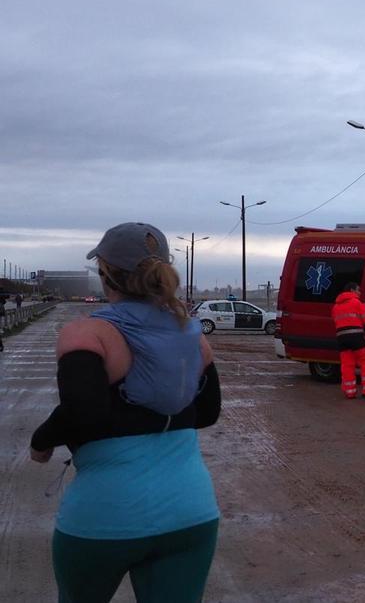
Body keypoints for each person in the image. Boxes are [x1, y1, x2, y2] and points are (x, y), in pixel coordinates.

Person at [28, 222, 222, 603]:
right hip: (191, 513)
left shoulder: (88, 333)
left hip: (105, 517)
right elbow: (207, 412)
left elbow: (84, 412)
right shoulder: (192, 336)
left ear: (106, 274)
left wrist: (42, 441)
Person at [332, 282, 365, 399]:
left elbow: (336, 323)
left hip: (342, 339)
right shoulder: (358, 303)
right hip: (357, 337)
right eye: (358, 290)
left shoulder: (336, 306)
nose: (360, 292)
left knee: (347, 366)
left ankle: (350, 392)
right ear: (352, 290)